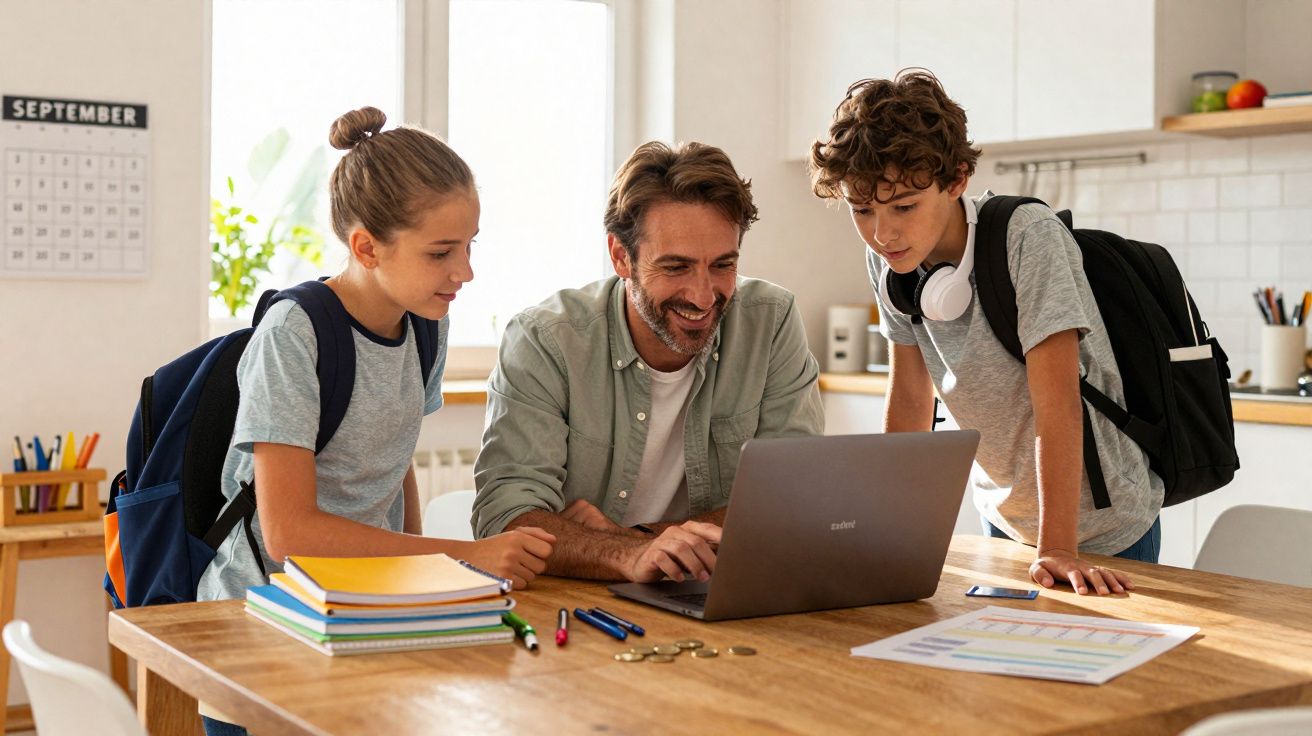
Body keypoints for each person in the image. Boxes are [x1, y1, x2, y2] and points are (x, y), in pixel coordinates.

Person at [196, 107, 554, 734]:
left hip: (361, 616)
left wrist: (425, 580)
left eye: (469, 247)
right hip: (265, 625)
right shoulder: (293, 336)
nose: (464, 272)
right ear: (365, 246)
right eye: (441, 252)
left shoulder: (426, 322)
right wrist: (462, 557)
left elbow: (395, 461)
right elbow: (289, 534)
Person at [808, 71, 1161, 596]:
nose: (883, 233)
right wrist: (877, 530)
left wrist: (1058, 547)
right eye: (863, 211)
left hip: (1101, 529)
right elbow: (909, 398)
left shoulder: (1028, 237)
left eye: (904, 206)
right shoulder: (888, 261)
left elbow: (1057, 403)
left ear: (956, 180)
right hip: (1005, 518)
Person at [472, 141, 824, 582]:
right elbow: (505, 516)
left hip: (713, 590)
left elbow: (793, 496)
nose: (702, 295)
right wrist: (627, 555)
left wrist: (638, 539)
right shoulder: (545, 340)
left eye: (722, 265)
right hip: (580, 605)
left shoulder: (770, 322)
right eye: (676, 267)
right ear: (621, 257)